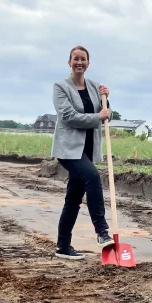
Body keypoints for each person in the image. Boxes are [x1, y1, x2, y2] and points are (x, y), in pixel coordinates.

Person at [50, 45, 115, 260]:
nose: (79, 62)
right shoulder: (60, 87)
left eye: (83, 59)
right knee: (93, 176)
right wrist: (99, 117)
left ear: (88, 63)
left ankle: (63, 245)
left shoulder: (96, 87)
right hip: (69, 149)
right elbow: (68, 116)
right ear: (69, 62)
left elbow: (106, 114)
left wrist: (107, 103)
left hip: (87, 148)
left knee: (74, 198)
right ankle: (102, 232)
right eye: (75, 59)